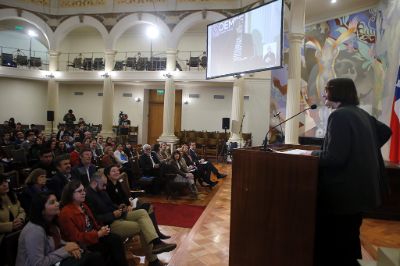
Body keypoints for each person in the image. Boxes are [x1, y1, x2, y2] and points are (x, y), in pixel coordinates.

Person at [305, 78, 392, 266]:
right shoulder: (360, 113)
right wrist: (363, 151)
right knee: (348, 242)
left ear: (336, 92)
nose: (323, 95)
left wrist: (310, 153)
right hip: (359, 193)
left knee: (335, 247)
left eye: (326, 90)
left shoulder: (339, 116)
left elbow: (334, 158)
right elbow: (385, 131)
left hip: (342, 195)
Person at [85, 173, 174, 266]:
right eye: (103, 184)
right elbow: (95, 218)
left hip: (117, 216)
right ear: (95, 183)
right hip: (109, 224)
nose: (104, 187)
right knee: (143, 227)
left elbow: (110, 205)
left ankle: (157, 242)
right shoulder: (88, 196)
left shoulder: (101, 191)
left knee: (143, 212)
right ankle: (153, 261)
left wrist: (119, 207)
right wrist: (112, 215)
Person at [16, 192, 105, 266]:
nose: (58, 204)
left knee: (92, 256)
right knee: (92, 259)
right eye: (52, 202)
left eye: (56, 201)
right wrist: (66, 250)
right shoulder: (34, 230)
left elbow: (56, 243)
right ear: (42, 210)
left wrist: (72, 247)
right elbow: (38, 263)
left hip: (53, 260)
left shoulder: (51, 222)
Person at [58, 180, 128, 266]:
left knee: (115, 239)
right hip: (83, 244)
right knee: (104, 249)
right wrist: (97, 234)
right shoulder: (66, 212)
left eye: (84, 190)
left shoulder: (83, 205)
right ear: (71, 194)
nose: (83, 193)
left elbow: (93, 223)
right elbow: (75, 238)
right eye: (80, 191)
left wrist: (100, 229)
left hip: (92, 236)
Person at [103, 165, 170, 239]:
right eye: (113, 171)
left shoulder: (117, 183)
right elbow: (111, 204)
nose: (117, 172)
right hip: (121, 212)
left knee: (149, 206)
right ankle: (156, 234)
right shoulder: (107, 187)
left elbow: (124, 196)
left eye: (117, 170)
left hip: (127, 208)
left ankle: (156, 233)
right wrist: (124, 207)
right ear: (108, 175)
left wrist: (128, 205)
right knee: (147, 208)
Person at [0, 175, 26, 265]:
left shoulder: (11, 195)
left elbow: (21, 210)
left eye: (6, 182)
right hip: (3, 237)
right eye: (1, 184)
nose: (5, 185)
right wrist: (11, 225)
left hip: (18, 230)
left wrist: (20, 219)